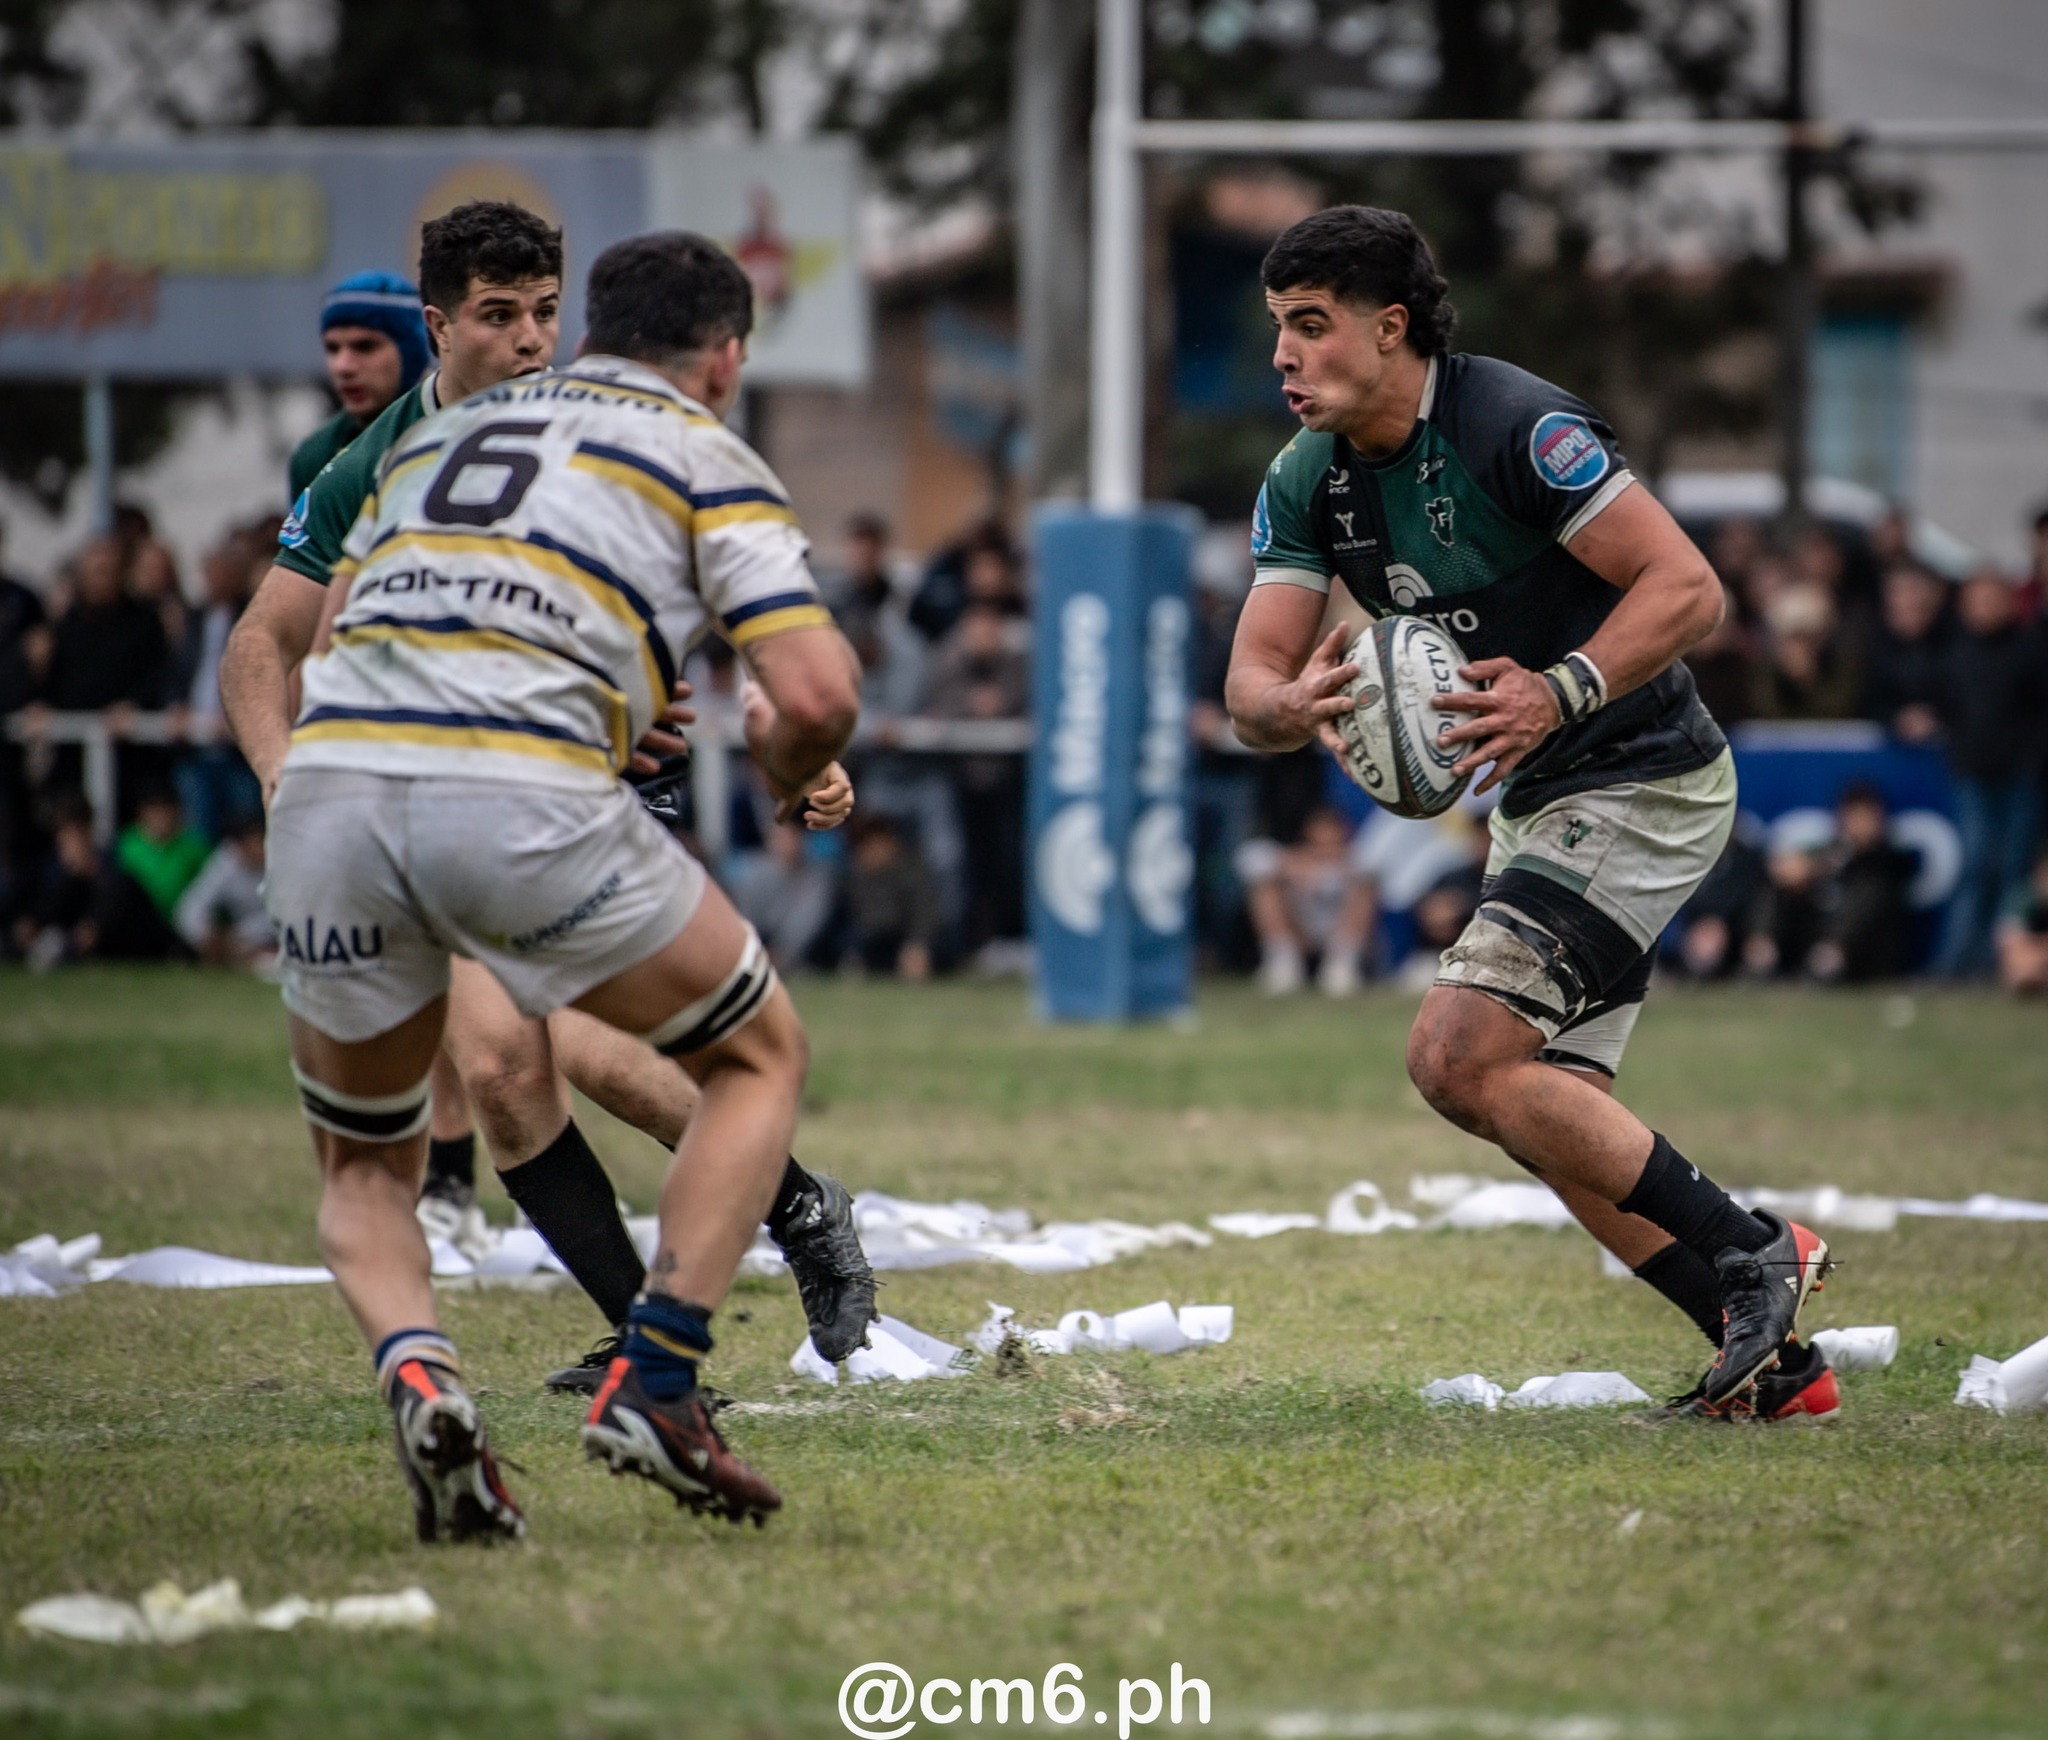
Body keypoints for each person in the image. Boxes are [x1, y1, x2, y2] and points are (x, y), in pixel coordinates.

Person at [263, 228, 864, 1538]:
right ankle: (661, 1377)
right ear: (726, 360)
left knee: (368, 1168)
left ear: (580, 330)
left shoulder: (434, 442)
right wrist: (789, 763)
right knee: (756, 1054)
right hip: (515, 794)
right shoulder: (705, 453)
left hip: (330, 796)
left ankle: (424, 1381)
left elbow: (332, 634)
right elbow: (814, 694)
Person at [1225, 204, 1832, 1419]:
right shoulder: (1307, 480)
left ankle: (1755, 1250)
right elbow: (1247, 687)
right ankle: (1771, 1370)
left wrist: (1557, 689)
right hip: (1543, 803)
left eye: (1311, 324)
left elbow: (1687, 586)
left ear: (1390, 328)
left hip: (1642, 775)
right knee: (1548, 1111)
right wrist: (1286, 706)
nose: (1284, 354)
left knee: (1457, 1057)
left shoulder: (1510, 425)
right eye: (1277, 327)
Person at [1931, 570, 2046, 979]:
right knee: (1974, 867)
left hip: (2020, 776)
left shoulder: (2030, 652)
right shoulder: (1957, 654)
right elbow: (1946, 709)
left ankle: (2003, 962)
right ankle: (1956, 960)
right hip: (1973, 775)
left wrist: (2032, 761)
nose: (1983, 609)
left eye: (1991, 599)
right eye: (1976, 600)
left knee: (2014, 869)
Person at [288, 271, 434, 502]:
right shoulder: (314, 455)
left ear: (411, 353)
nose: (343, 367)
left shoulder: (453, 429)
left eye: (364, 346)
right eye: (332, 348)